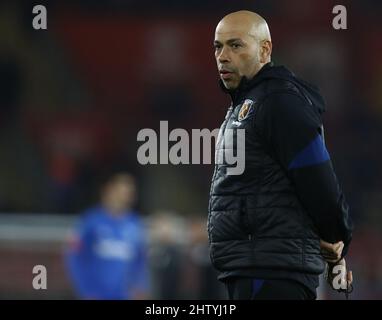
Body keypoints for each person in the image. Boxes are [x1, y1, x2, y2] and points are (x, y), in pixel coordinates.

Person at [207, 10, 354, 300]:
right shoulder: (248, 104)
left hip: (274, 273)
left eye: (235, 45)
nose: (223, 56)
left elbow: (317, 176)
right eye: (218, 46)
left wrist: (337, 235)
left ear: (265, 50)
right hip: (255, 266)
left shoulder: (280, 101)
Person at [64, 172, 150, 300]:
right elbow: (74, 256)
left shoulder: (134, 224)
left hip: (124, 295)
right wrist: (85, 291)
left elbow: (140, 261)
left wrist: (141, 288)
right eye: (121, 192)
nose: (124, 198)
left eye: (128, 194)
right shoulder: (91, 221)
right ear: (109, 191)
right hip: (97, 295)